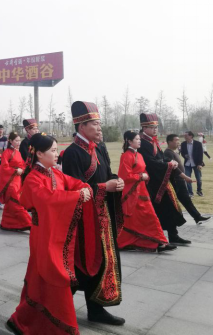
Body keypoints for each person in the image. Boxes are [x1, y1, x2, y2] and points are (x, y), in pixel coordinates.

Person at [7, 133, 94, 335]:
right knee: (48, 275)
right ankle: (40, 323)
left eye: (56, 150)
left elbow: (73, 183)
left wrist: (85, 187)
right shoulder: (33, 178)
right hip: (43, 235)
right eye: (53, 151)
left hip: (55, 234)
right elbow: (48, 199)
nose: (57, 154)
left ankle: (25, 320)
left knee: (43, 279)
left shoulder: (55, 173)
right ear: (38, 153)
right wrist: (76, 195)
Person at [61, 101, 125, 326]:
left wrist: (116, 180)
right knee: (81, 263)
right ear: (81, 126)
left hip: (102, 216)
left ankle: (96, 308)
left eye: (100, 124)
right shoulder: (72, 153)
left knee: (104, 262)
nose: (100, 128)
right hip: (83, 221)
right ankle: (57, 307)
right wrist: (103, 187)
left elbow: (106, 173)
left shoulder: (100, 148)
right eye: (95, 124)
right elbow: (74, 187)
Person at [117, 131, 176, 253]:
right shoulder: (126, 156)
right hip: (132, 193)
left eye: (139, 139)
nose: (139, 141)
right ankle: (159, 242)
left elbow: (144, 171)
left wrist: (146, 176)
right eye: (137, 139)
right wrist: (140, 176)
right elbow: (124, 175)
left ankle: (157, 242)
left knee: (146, 217)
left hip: (142, 190)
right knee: (143, 218)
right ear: (129, 141)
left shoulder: (139, 155)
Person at [138, 113, 190, 246]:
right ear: (144, 128)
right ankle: (157, 238)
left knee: (169, 207)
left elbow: (161, 157)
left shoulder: (152, 141)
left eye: (156, 126)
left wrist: (170, 161)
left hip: (161, 181)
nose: (155, 129)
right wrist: (167, 164)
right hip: (152, 182)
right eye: (151, 127)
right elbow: (150, 163)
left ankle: (173, 235)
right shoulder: (143, 143)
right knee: (158, 210)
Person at [164, 134, 211, 225]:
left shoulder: (173, 152)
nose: (178, 142)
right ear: (169, 142)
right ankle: (170, 220)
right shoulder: (168, 153)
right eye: (176, 140)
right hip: (176, 181)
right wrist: (185, 177)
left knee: (186, 200)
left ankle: (197, 217)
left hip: (179, 180)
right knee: (172, 202)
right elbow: (174, 168)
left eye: (178, 140)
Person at [0, 132, 32, 231]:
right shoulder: (6, 152)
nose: (18, 142)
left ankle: (6, 223)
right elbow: (4, 167)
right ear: (10, 141)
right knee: (17, 202)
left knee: (10, 204)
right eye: (16, 141)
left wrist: (23, 168)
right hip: (10, 181)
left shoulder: (18, 152)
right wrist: (15, 170)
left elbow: (22, 164)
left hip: (17, 180)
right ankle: (29, 223)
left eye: (19, 140)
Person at [181, 131, 205, 197]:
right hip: (187, 164)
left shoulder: (198, 144)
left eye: (186, 136)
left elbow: (200, 154)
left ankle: (199, 191)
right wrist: (185, 155)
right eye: (184, 136)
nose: (184, 137)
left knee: (199, 179)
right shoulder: (183, 144)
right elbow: (182, 152)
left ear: (191, 136)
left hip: (196, 164)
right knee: (187, 179)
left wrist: (200, 164)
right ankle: (190, 193)